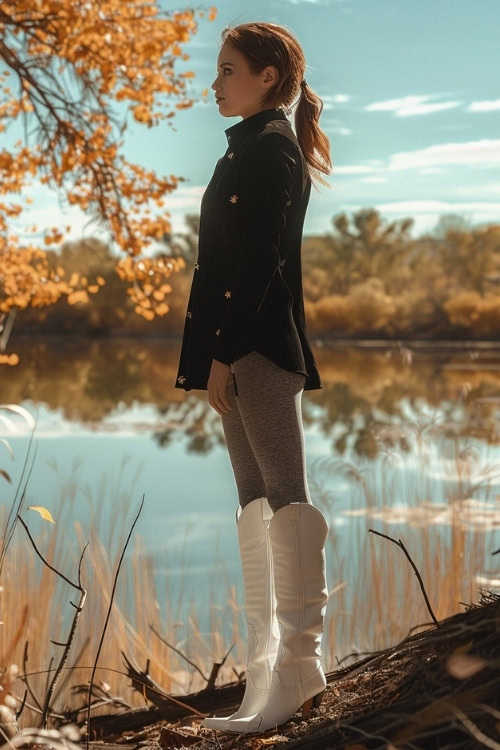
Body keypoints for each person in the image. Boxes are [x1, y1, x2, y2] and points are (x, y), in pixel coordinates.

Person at [174, 21, 333, 734]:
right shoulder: (245, 151)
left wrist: (224, 353)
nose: (216, 81)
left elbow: (258, 268)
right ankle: (266, 672)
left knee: (285, 499)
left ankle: (301, 671)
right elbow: (220, 268)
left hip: (261, 351)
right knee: (254, 505)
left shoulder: (270, 151)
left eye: (228, 69)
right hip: (235, 352)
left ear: (268, 77)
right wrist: (210, 353)